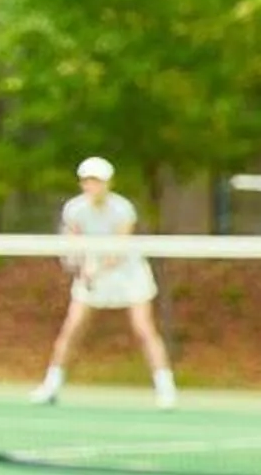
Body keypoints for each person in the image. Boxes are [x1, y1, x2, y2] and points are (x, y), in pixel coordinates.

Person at [29, 155, 176, 410]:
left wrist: (97, 268)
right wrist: (81, 264)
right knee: (72, 328)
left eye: (97, 181)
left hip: (128, 275)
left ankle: (166, 389)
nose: (92, 186)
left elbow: (119, 248)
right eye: (87, 181)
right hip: (91, 275)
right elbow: (73, 241)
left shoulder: (123, 209)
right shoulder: (74, 209)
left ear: (108, 183)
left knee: (143, 329)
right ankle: (51, 386)